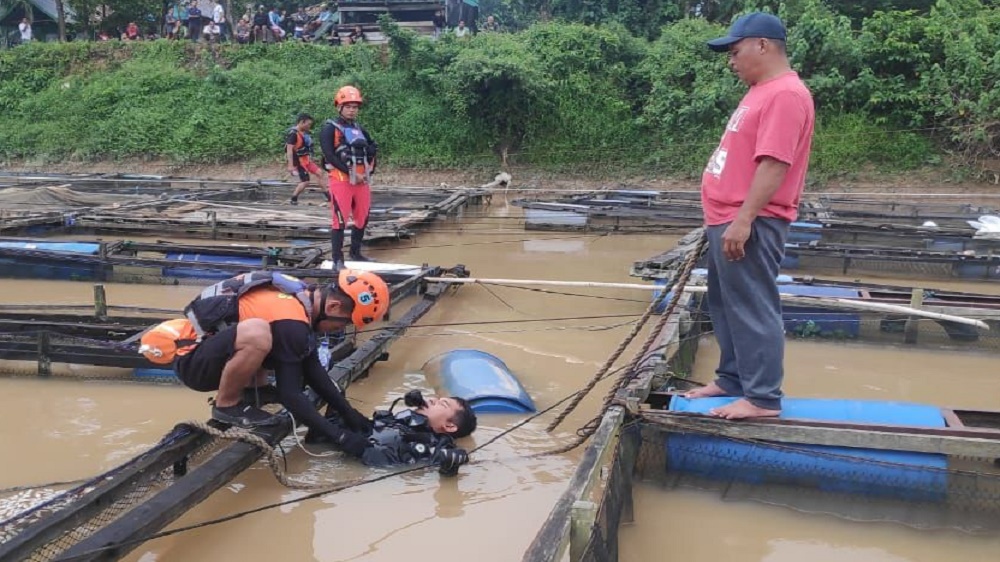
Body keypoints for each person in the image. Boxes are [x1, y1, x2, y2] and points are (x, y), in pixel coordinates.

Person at [683, 12, 815, 420]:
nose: (730, 61)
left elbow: (774, 163)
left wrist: (744, 220)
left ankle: (761, 398)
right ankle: (733, 379)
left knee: (752, 306)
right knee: (724, 305)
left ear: (763, 45)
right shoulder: (761, 90)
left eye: (735, 50)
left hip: (751, 222)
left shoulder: (785, 95)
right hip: (726, 216)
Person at [141, 269, 390, 435]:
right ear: (333, 305)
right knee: (258, 332)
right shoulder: (293, 318)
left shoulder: (301, 300)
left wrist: (350, 414)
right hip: (194, 364)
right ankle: (226, 405)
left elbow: (313, 371)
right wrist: (341, 438)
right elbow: (290, 394)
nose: (338, 329)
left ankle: (250, 392)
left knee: (277, 341)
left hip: (213, 353)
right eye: (342, 323)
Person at [305, 389, 476, 475]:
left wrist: (451, 465)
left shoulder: (436, 443)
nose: (432, 399)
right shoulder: (400, 420)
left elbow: (445, 461)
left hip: (371, 455)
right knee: (337, 400)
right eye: (437, 399)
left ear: (450, 426)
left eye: (442, 404)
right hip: (363, 434)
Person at [319, 85, 378, 270]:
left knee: (362, 216)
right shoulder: (330, 128)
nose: (352, 110)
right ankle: (338, 260)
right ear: (339, 107)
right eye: (348, 106)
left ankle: (355, 252)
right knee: (340, 219)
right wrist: (351, 172)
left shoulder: (359, 128)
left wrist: (370, 170)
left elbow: (373, 148)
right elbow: (329, 155)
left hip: (361, 181)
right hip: (341, 180)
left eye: (355, 106)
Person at [286, 113, 325, 205]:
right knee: (305, 181)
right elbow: (289, 150)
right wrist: (291, 165)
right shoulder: (293, 134)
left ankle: (327, 195)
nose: (309, 126)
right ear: (302, 122)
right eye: (308, 124)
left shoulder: (303, 133)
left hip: (306, 160)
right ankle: (294, 198)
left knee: (319, 172)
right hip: (299, 162)